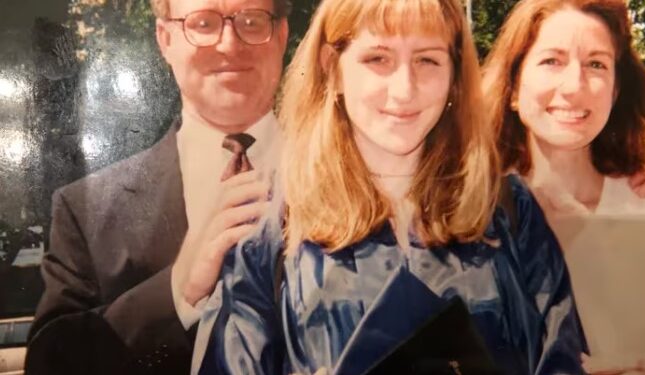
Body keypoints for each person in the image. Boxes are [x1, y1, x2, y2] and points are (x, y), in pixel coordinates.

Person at [193, 0, 587, 373]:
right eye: (377, 59)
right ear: (333, 69)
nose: (404, 90)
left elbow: (561, 362)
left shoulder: (508, 212)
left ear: (454, 76)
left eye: (427, 60)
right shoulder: (268, 224)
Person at [25, 0, 289, 374]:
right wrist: (178, 287)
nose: (230, 44)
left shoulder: (356, 181)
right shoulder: (85, 209)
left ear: (281, 35)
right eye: (203, 23)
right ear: (165, 39)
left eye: (251, 20)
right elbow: (50, 365)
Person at [482, 0, 645, 373]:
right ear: (514, 88)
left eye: (596, 64)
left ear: (615, 93)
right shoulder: (468, 221)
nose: (575, 86)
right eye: (552, 60)